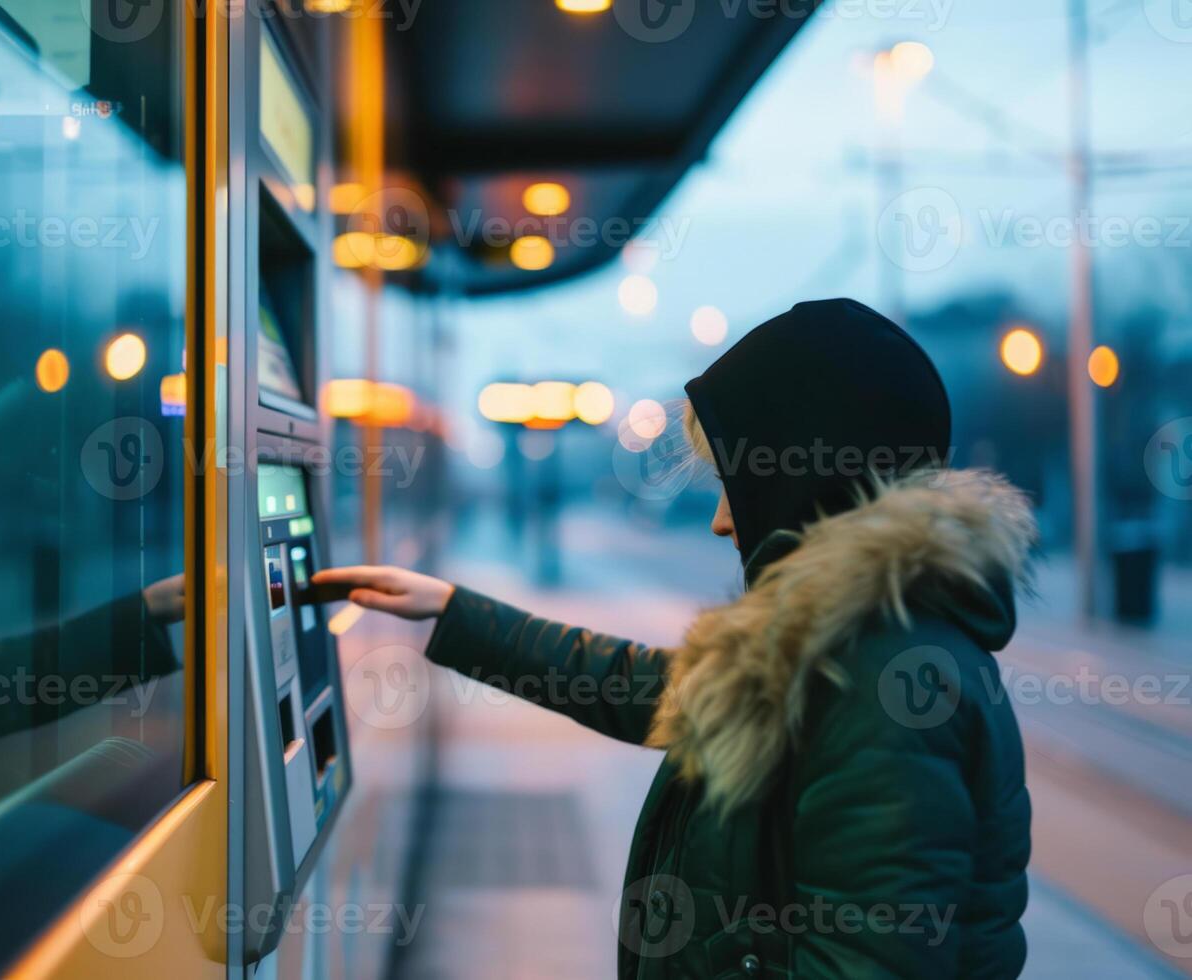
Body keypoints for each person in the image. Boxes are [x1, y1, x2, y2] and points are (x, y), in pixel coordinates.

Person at [312, 299, 1035, 978]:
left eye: (732, 485)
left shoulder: (884, 686)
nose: (723, 520)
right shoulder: (847, 642)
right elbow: (643, 683)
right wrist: (453, 612)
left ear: (804, 474)